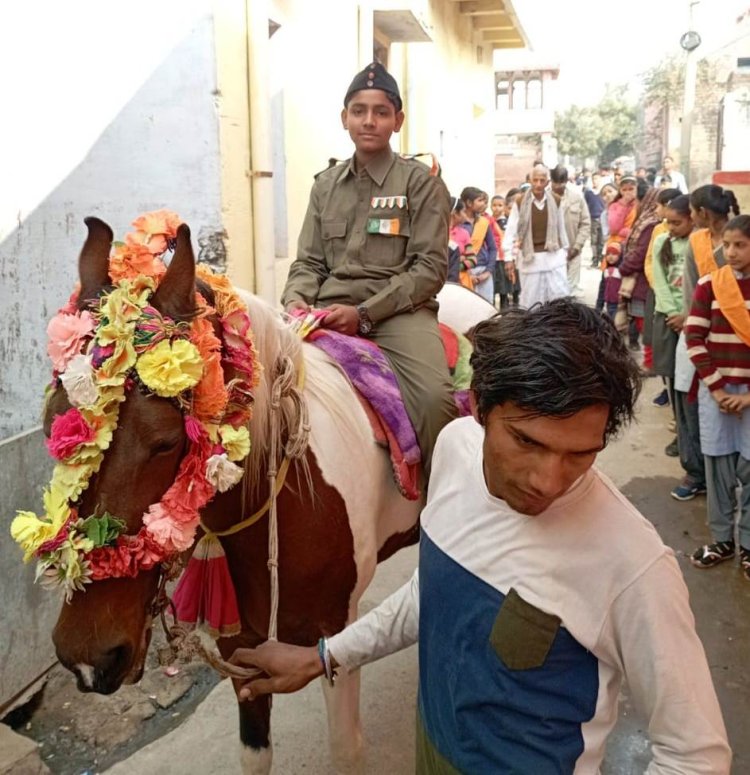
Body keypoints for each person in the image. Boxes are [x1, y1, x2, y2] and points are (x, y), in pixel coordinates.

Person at [230, 299, 731, 773]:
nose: (548, 481)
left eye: (580, 454)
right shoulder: (452, 449)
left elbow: (695, 754)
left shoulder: (635, 564)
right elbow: (434, 591)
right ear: (482, 409)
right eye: (526, 442)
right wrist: (325, 656)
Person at [280, 62, 456, 477]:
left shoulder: (420, 183)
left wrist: (365, 314)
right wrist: (295, 300)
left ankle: (445, 498)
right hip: (326, 310)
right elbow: (309, 260)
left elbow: (430, 268)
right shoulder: (325, 185)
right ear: (345, 118)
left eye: (380, 111)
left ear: (398, 120)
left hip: (398, 315)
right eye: (359, 110)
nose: (369, 120)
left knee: (434, 401)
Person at [686, 215, 750, 581]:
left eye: (740, 245)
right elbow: (695, 339)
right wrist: (719, 388)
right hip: (718, 393)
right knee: (719, 470)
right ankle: (723, 540)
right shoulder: (711, 286)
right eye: (727, 245)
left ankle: (749, 544)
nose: (731, 252)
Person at [672, 185, 741, 501]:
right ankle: (697, 471)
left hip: (737, 340)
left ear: (700, 213)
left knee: (735, 412)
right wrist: (691, 323)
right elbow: (690, 289)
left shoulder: (740, 238)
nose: (731, 251)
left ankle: (733, 478)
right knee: (689, 402)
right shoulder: (696, 242)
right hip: (699, 333)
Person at [651, 195, 694, 457]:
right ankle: (680, 431)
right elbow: (660, 280)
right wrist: (672, 313)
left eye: (677, 223)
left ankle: (690, 436)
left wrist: (686, 316)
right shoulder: (661, 241)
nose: (671, 228)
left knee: (688, 382)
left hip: (691, 318)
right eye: (668, 222)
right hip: (667, 317)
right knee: (672, 379)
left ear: (691, 219)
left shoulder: (697, 243)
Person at [502, 164, 569, 308]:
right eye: (535, 180)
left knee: (558, 299)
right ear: (530, 180)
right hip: (530, 258)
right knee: (531, 301)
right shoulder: (520, 202)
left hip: (553, 257)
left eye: (542, 180)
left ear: (547, 182)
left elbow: (561, 230)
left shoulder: (556, 200)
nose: (538, 184)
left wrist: (565, 252)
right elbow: (511, 231)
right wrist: (508, 258)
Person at [550, 164, 591, 299]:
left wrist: (577, 246)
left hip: (573, 251)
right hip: (550, 253)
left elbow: (585, 224)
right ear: (551, 181)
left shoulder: (576, 198)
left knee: (571, 290)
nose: (558, 186)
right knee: (553, 291)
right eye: (556, 182)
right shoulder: (543, 199)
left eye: (561, 182)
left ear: (566, 181)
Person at [460, 187, 497, 304]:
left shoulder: (483, 222)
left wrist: (487, 272)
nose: (484, 204)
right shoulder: (458, 223)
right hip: (464, 272)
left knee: (487, 308)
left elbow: (492, 248)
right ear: (469, 203)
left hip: (483, 271)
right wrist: (467, 274)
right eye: (480, 201)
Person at [447, 197, 475, 283]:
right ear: (455, 213)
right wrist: (461, 258)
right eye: (463, 212)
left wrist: (454, 266)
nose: (465, 215)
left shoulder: (464, 233)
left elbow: (472, 260)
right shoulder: (439, 233)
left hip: (462, 282)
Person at [585, 173, 606, 268]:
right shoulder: (588, 193)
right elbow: (585, 206)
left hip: (602, 219)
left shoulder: (604, 192)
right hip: (593, 218)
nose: (595, 181)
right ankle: (594, 259)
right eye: (593, 179)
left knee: (601, 241)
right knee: (593, 241)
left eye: (597, 179)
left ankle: (601, 259)